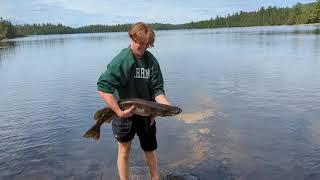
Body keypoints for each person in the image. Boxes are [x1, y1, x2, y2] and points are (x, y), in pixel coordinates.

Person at [97, 22, 170, 180]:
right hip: (123, 114)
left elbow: (157, 89)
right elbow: (103, 88)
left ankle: (155, 178)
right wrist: (118, 112)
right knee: (124, 150)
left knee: (150, 149)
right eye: (139, 43)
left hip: (146, 115)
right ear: (132, 37)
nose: (142, 48)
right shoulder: (122, 60)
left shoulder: (151, 61)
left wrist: (164, 105)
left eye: (146, 45)